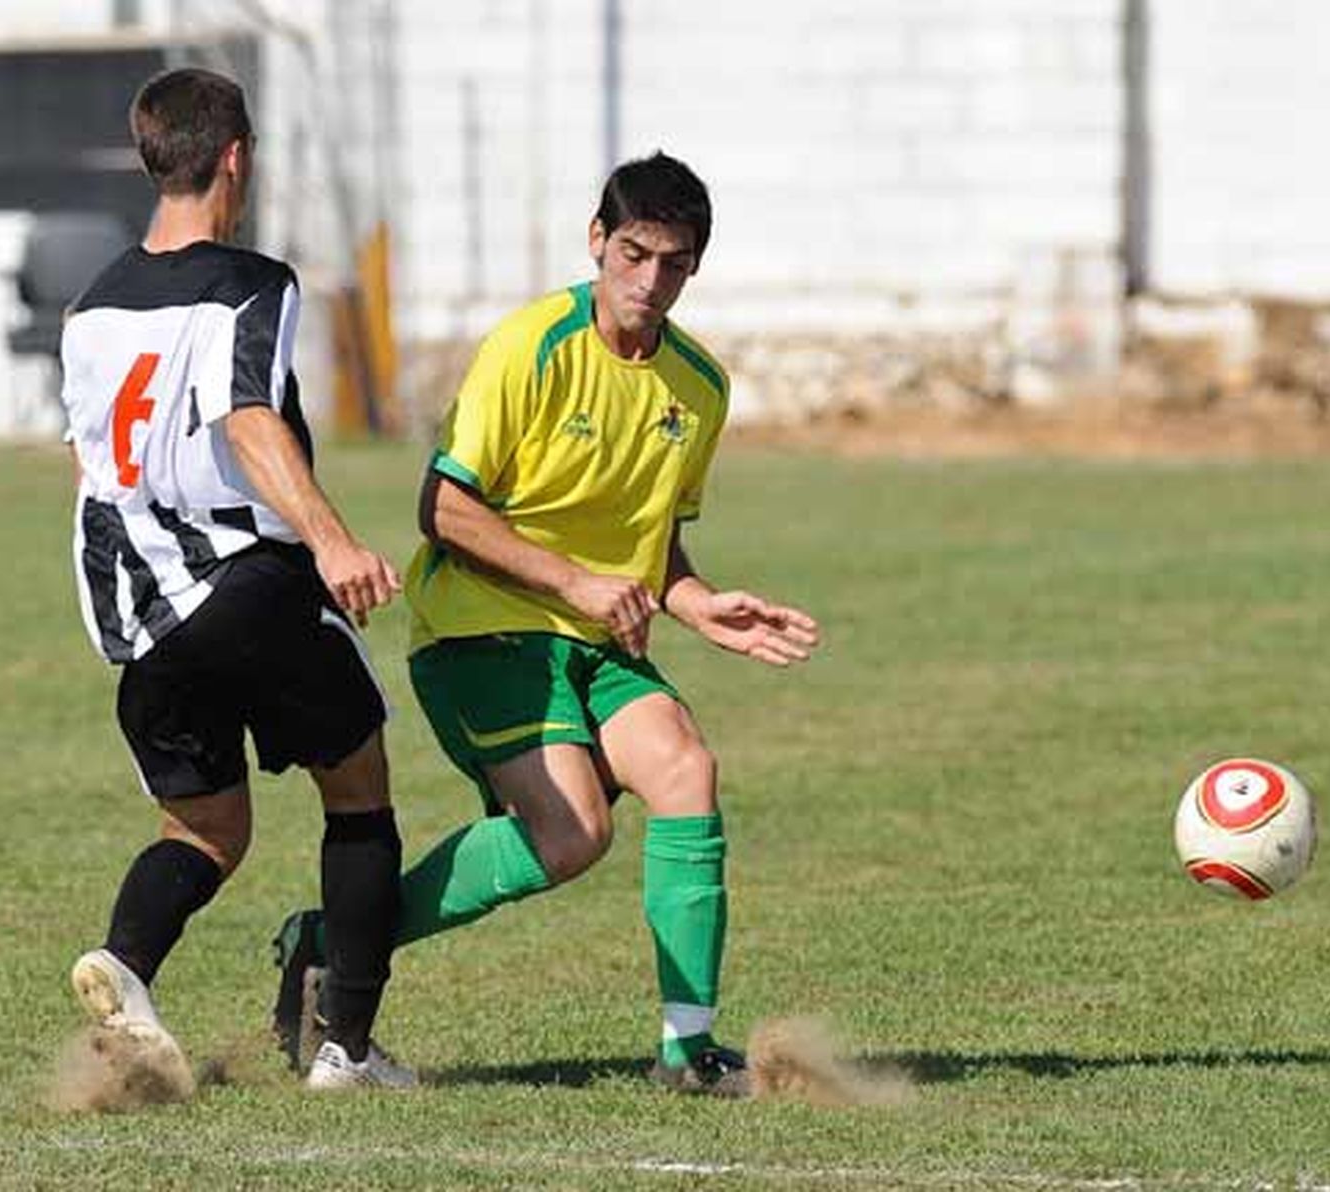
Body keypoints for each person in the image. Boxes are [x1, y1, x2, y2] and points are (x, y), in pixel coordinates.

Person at [271, 151, 820, 1097]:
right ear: (599, 241)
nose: (650, 282)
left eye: (675, 264)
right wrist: (576, 582)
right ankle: (332, 939)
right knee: (573, 834)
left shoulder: (700, 388)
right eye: (635, 254)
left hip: (593, 639)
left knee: (687, 766)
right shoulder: (531, 346)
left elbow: (654, 551)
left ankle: (688, 1050)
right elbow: (442, 508)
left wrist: (699, 604)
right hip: (478, 631)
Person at [60, 67, 411, 1091]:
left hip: (147, 617)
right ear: (236, 157)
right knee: (359, 793)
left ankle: (125, 964)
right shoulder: (251, 283)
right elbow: (247, 415)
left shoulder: (89, 309)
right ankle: (345, 1046)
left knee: (207, 827)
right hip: (249, 585)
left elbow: (95, 468)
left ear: (148, 154)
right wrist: (333, 540)